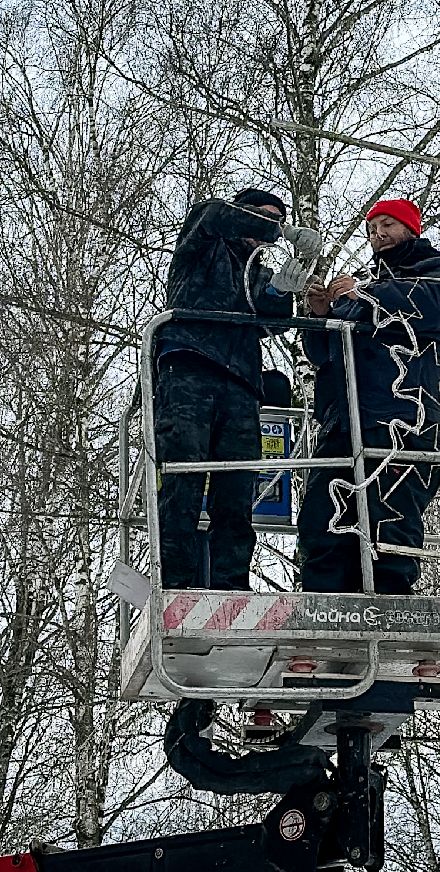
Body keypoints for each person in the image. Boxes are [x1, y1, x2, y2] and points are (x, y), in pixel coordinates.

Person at [298, 199, 440, 594]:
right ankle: (323, 607)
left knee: (392, 514)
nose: (379, 236)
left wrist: (367, 295)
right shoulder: (362, 285)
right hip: (344, 419)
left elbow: (437, 309)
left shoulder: (439, 272)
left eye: (388, 225)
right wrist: (320, 315)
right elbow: (322, 354)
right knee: (325, 515)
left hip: (403, 418)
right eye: (373, 229)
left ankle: (394, 607)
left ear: (411, 228)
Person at [154, 187, 319, 589]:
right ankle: (175, 583)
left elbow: (268, 322)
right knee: (184, 480)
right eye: (262, 217)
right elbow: (213, 214)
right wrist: (280, 230)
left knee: (236, 490)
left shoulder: (255, 273)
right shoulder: (204, 240)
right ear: (242, 212)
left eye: (276, 218)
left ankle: (232, 585)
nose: (266, 227)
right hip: (189, 367)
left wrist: (281, 292)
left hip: (242, 382)